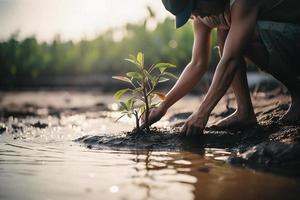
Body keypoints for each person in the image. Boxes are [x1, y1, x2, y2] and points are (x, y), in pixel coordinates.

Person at [144, 0, 300, 136]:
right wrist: (162, 106)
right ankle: (244, 112)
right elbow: (197, 64)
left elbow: (230, 59)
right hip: (283, 39)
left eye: (195, 8)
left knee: (237, 37)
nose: (197, 15)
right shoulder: (202, 15)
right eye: (192, 13)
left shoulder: (241, 3)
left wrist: (202, 112)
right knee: (226, 33)